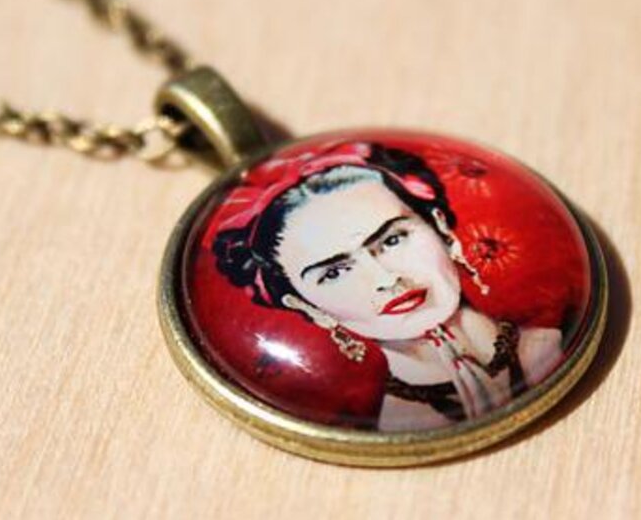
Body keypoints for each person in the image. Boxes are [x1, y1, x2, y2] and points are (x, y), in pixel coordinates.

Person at [209, 141, 564, 431]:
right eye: (335, 273)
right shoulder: (396, 423)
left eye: (392, 240)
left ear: (440, 228)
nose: (386, 279)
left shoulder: (552, 342)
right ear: (306, 306)